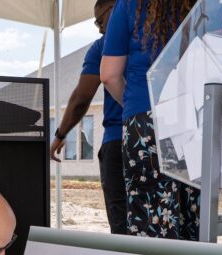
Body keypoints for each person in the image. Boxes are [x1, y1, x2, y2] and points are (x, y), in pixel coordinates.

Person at [100, 0, 200, 240]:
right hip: (195, 119)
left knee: (149, 219)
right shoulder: (205, 5)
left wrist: (134, 107)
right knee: (194, 217)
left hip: (144, 121)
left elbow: (109, 75)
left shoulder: (129, 5)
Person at [50, 0, 128, 235]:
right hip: (158, 140)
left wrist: (60, 134)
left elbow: (81, 99)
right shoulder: (152, 39)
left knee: (122, 229)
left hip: (118, 142)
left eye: (100, 20)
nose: (100, 28)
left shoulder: (103, 47)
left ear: (116, 8)